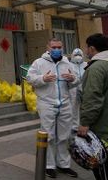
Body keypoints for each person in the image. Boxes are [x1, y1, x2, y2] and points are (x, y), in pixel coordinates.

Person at [27, 38, 79, 178]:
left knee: (65, 135)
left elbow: (77, 81)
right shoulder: (39, 63)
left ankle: (64, 165)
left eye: (59, 47)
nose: (57, 49)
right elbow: (29, 78)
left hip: (65, 103)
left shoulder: (66, 62)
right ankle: (49, 165)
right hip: (46, 103)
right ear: (48, 47)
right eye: (54, 47)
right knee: (48, 136)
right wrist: (43, 79)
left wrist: (72, 79)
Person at [78, 33, 108, 180]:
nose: (85, 51)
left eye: (86, 48)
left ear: (92, 48)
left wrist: (85, 123)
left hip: (103, 129)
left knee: (102, 167)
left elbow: (92, 98)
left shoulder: (96, 68)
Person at [69, 48, 87, 130]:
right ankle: (75, 127)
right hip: (73, 90)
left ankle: (85, 125)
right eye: (76, 55)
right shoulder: (69, 65)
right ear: (72, 56)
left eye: (79, 55)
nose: (78, 57)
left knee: (86, 108)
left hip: (85, 89)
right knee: (74, 108)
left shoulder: (86, 64)